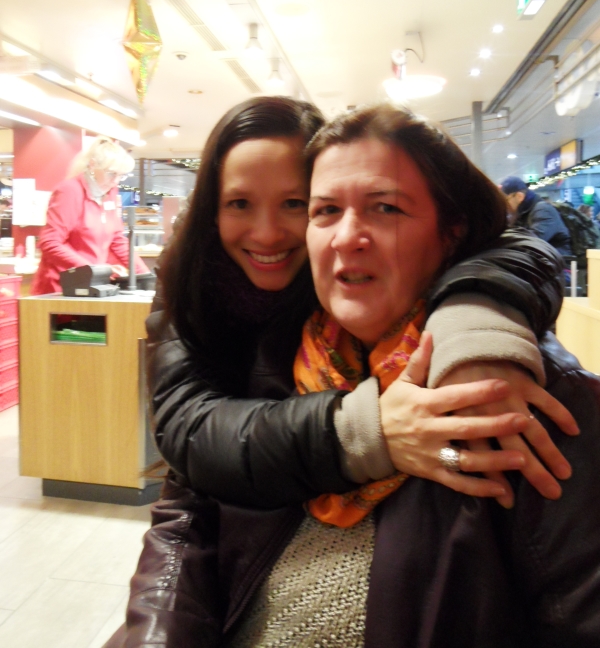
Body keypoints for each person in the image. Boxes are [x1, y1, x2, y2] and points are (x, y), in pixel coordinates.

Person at [104, 99, 578, 648]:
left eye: (294, 204)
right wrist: (369, 431)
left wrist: (477, 319)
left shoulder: (497, 387)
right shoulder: (229, 315)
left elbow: (514, 252)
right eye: (326, 210)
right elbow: (190, 471)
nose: (267, 233)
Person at [31, 136, 148, 295]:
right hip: (60, 288)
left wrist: (145, 276)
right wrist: (96, 270)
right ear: (92, 165)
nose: (115, 181)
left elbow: (117, 240)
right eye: (111, 173)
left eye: (121, 176)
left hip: (93, 285)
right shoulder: (70, 191)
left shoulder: (109, 193)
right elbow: (50, 242)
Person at [500, 175, 572, 257]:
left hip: (558, 261)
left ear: (519, 196)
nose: (504, 205)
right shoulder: (523, 213)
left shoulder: (543, 210)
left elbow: (533, 242)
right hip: (544, 259)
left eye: (506, 200)